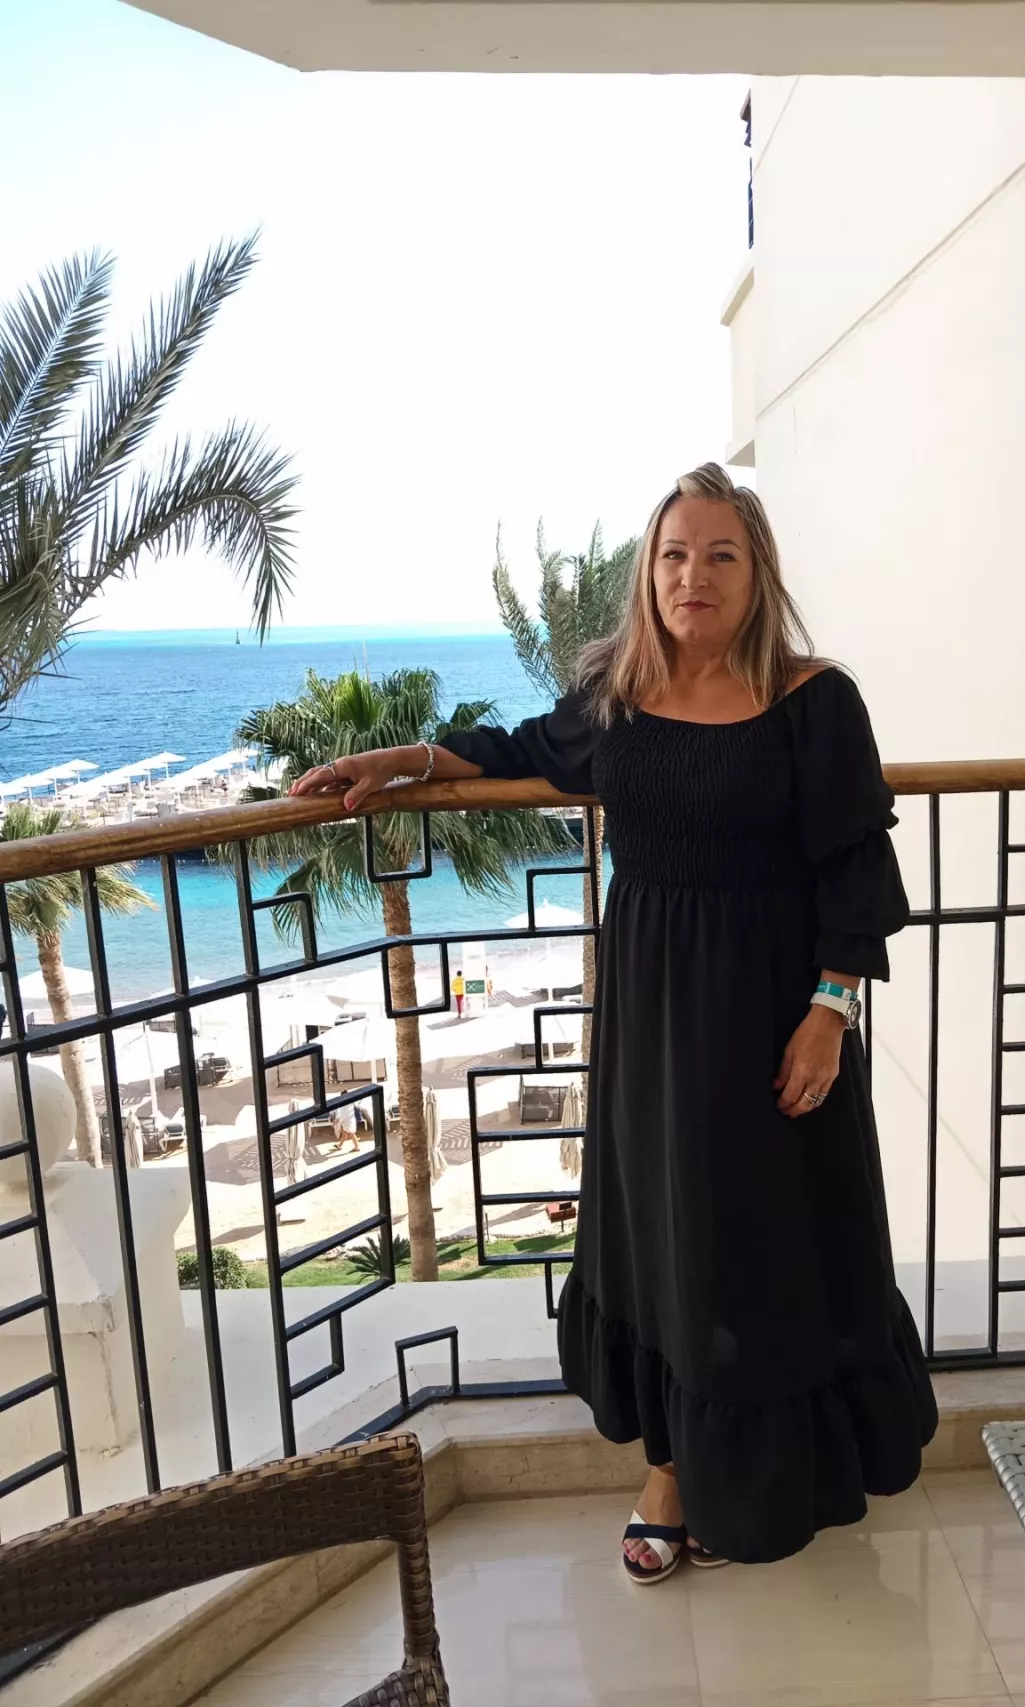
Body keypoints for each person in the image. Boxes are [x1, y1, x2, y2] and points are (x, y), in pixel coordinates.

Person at [290, 463, 937, 1575]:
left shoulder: (814, 699)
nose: (694, 576)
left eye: (720, 555)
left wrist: (829, 1014)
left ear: (757, 574)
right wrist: (404, 760)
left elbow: (855, 871)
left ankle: (766, 1482)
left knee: (766, 1241)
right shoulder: (618, 697)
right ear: (650, 573)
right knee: (664, 1237)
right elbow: (518, 751)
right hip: (652, 1023)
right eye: (674, 555)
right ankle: (672, 1469)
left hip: (774, 1015)